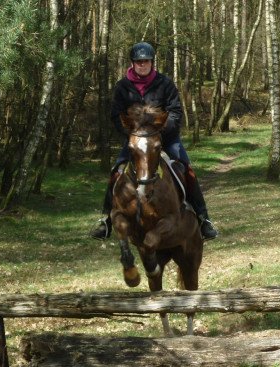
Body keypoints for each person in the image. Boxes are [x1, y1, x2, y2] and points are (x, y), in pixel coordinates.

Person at [90, 41, 218, 241]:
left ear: (152, 62)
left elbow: (175, 113)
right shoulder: (123, 87)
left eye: (146, 61)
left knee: (186, 167)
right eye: (139, 61)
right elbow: (116, 115)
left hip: (164, 138)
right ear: (133, 63)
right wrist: (132, 133)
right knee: (116, 170)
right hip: (137, 139)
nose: (143, 65)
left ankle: (204, 219)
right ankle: (105, 219)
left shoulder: (165, 84)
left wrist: (158, 130)